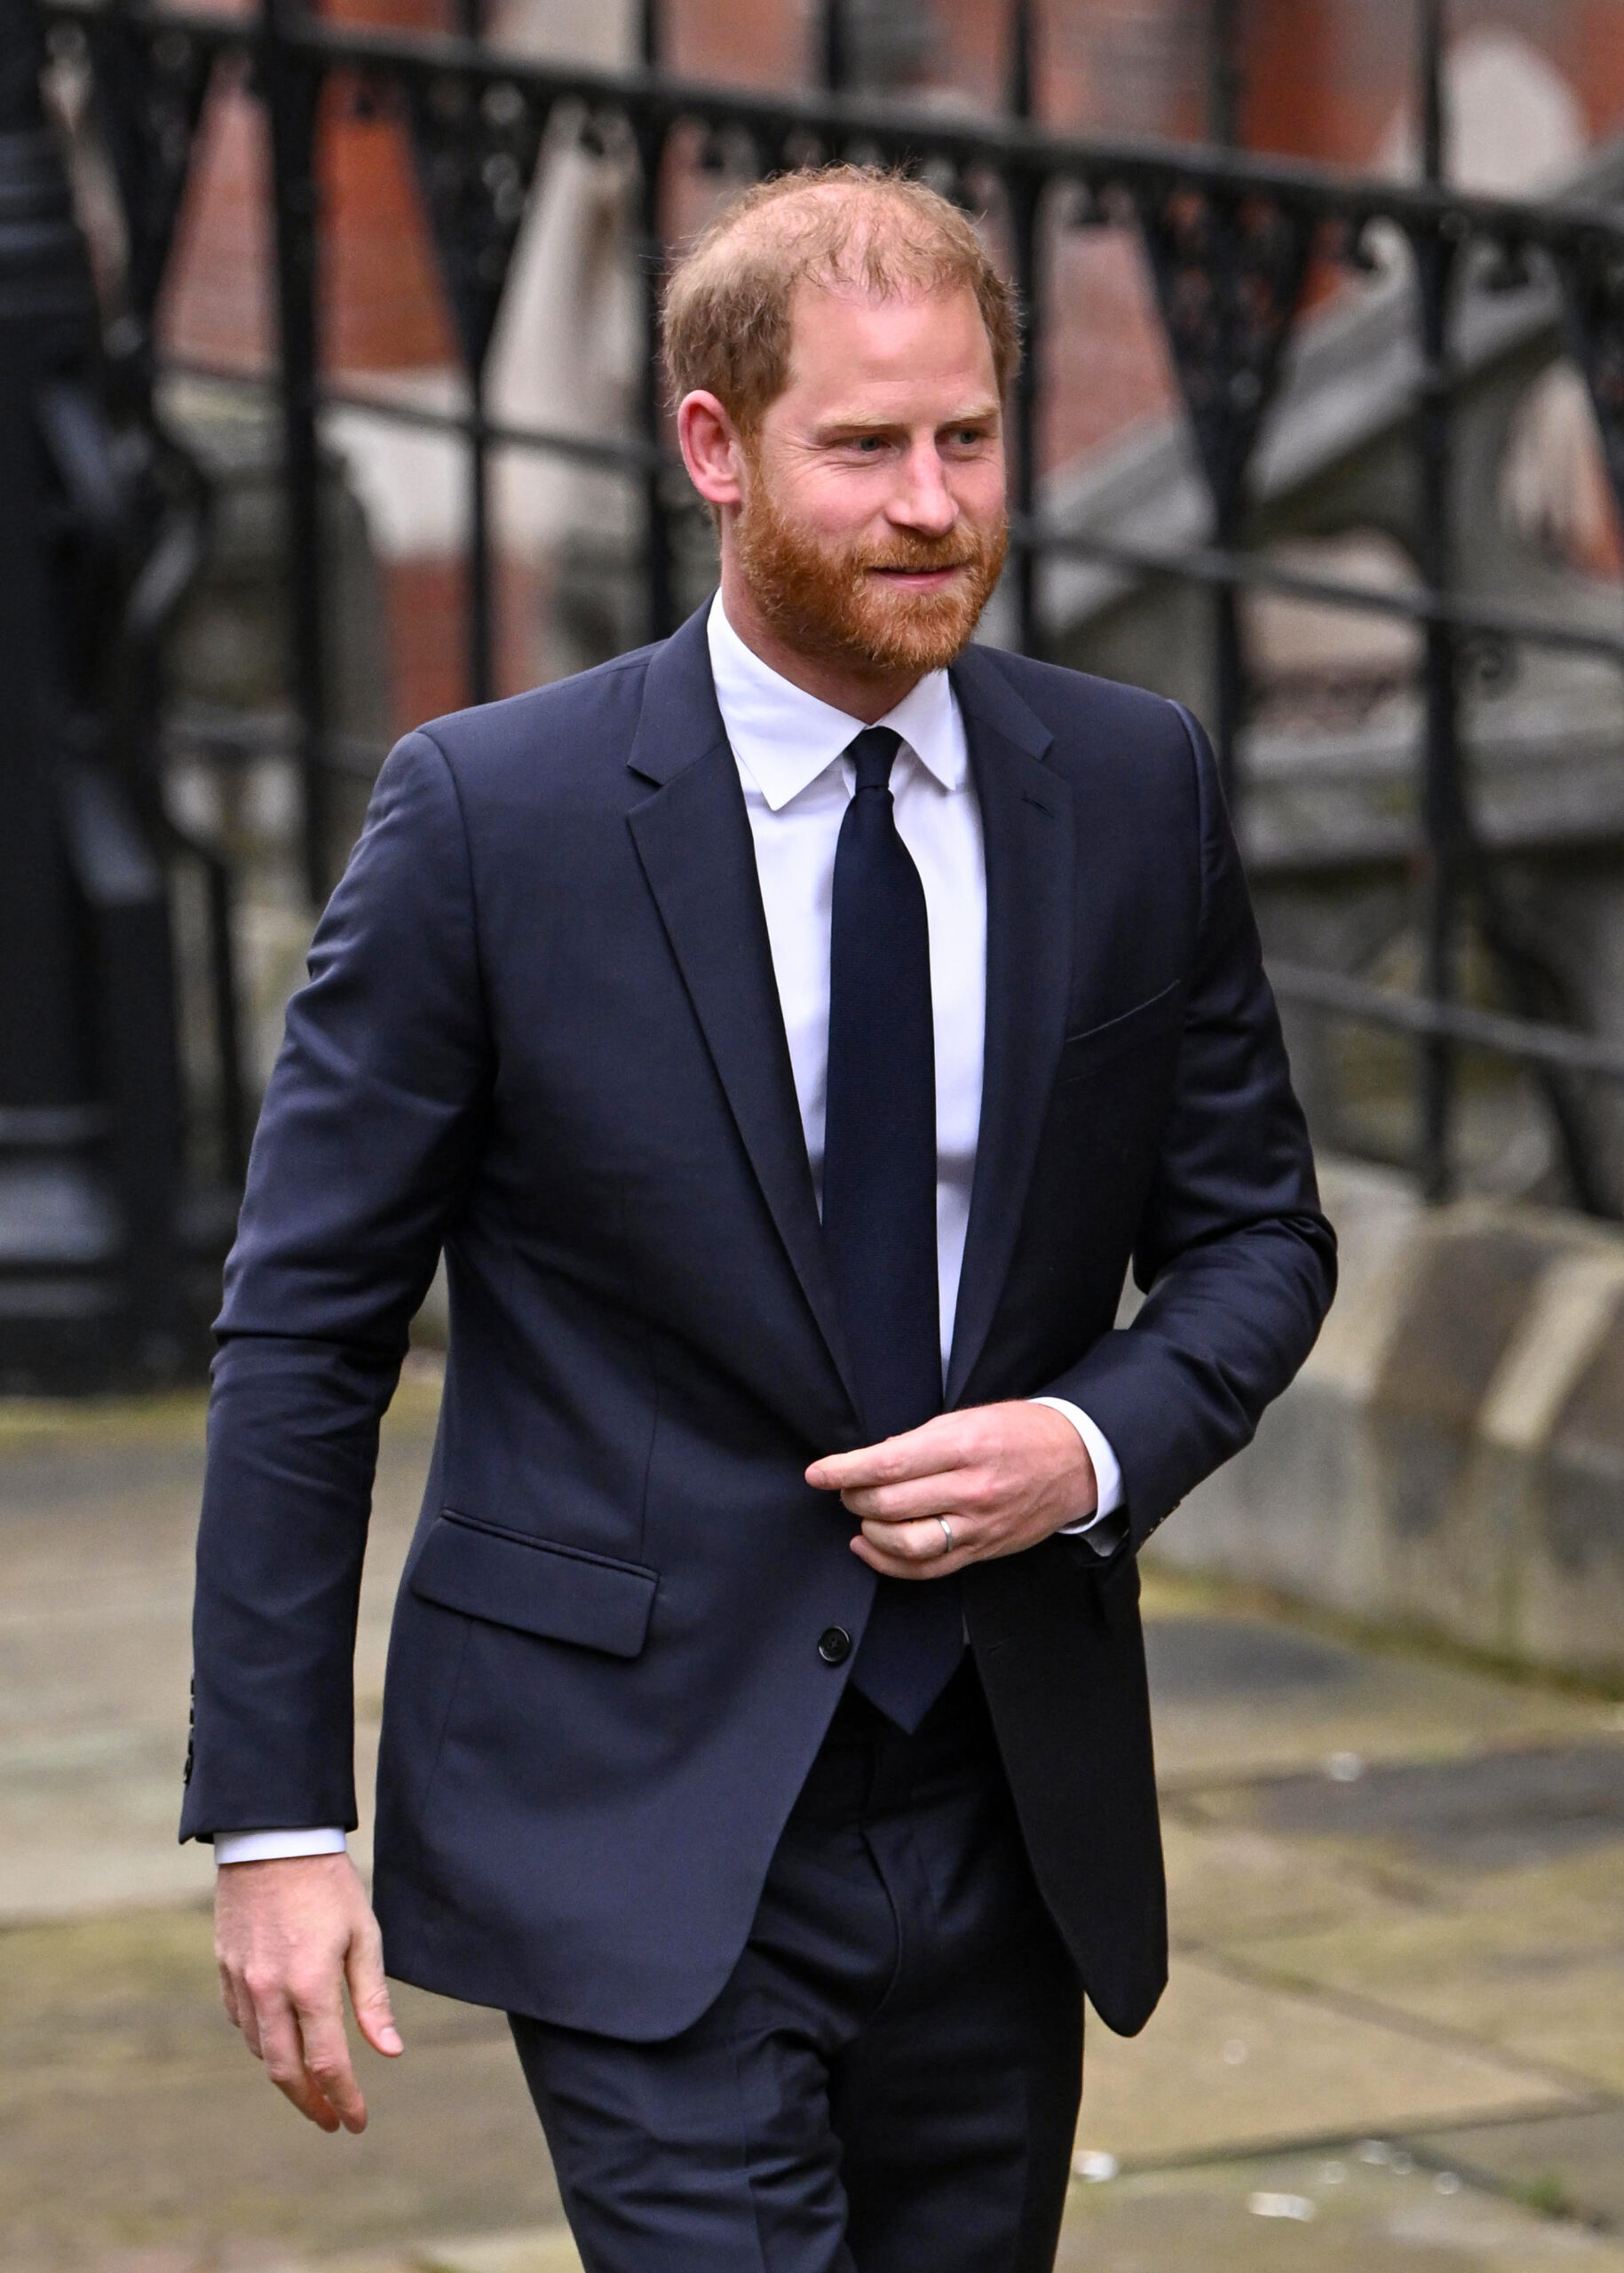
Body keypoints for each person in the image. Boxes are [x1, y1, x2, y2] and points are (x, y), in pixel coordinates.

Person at [186, 165, 1335, 2273]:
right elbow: (304, 1333)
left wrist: (1082, 1447)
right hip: (631, 1795)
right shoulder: (487, 818)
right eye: (867, 446)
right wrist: (276, 1821)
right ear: (713, 447)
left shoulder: (1134, 781)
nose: (934, 504)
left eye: (970, 437)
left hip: (1010, 1789)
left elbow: (1260, 1235)